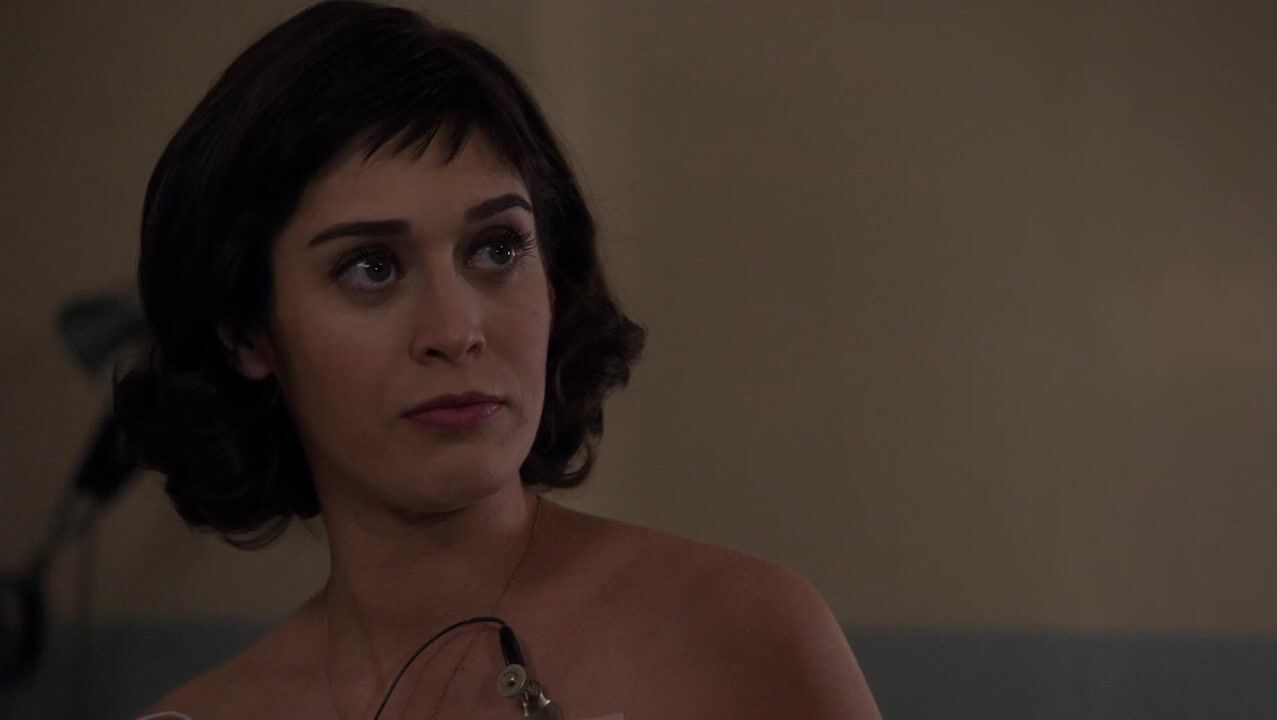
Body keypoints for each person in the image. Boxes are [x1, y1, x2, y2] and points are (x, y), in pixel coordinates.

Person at [113, 2, 881, 718]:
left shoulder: (732, 634)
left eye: (496, 249)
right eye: (371, 267)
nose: (456, 330)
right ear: (246, 333)